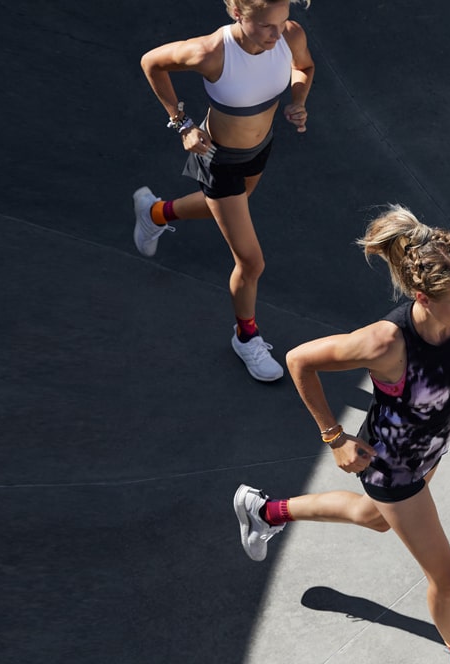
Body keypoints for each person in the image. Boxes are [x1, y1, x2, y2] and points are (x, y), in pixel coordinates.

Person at [233, 205, 450, 664]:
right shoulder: (387, 342)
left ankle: (263, 511)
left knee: (374, 519)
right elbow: (299, 360)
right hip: (393, 465)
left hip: (431, 450)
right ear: (423, 299)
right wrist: (335, 436)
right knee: (449, 578)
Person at [133, 0, 314, 381]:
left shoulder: (289, 34)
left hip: (259, 149)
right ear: (238, 14)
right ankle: (246, 337)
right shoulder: (211, 52)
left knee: (236, 204)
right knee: (251, 263)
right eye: (266, 25)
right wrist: (182, 125)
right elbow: (152, 62)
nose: (276, 33)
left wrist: (298, 101)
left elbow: (304, 67)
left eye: (281, 22)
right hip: (217, 159)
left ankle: (154, 213)